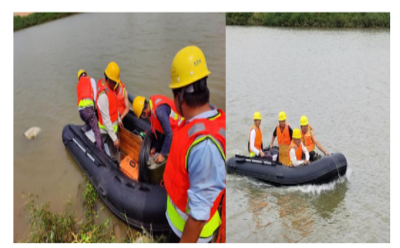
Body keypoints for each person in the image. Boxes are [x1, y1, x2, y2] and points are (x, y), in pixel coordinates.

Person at [163, 45, 226, 243]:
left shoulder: (204, 146)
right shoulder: (195, 124)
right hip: (178, 223)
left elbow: (198, 217)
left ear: (180, 95)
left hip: (192, 236)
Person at [132, 94, 184, 163]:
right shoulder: (152, 107)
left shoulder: (159, 112)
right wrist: (155, 147)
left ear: (144, 112)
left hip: (180, 128)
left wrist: (162, 154)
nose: (144, 117)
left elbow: (169, 134)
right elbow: (158, 129)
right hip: (170, 127)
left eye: (142, 115)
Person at [96, 62, 121, 162]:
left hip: (113, 127)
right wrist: (114, 138)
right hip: (107, 131)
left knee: (115, 148)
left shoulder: (111, 90)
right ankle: (114, 164)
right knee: (114, 154)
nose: (115, 85)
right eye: (113, 82)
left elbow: (114, 106)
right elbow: (106, 120)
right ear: (107, 79)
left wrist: (118, 118)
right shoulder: (103, 96)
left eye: (116, 82)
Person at [76, 69, 104, 151]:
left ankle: (87, 132)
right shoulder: (90, 80)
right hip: (88, 110)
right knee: (97, 132)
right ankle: (102, 153)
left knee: (89, 122)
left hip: (81, 113)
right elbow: (95, 92)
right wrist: (94, 104)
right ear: (85, 74)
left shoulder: (78, 85)